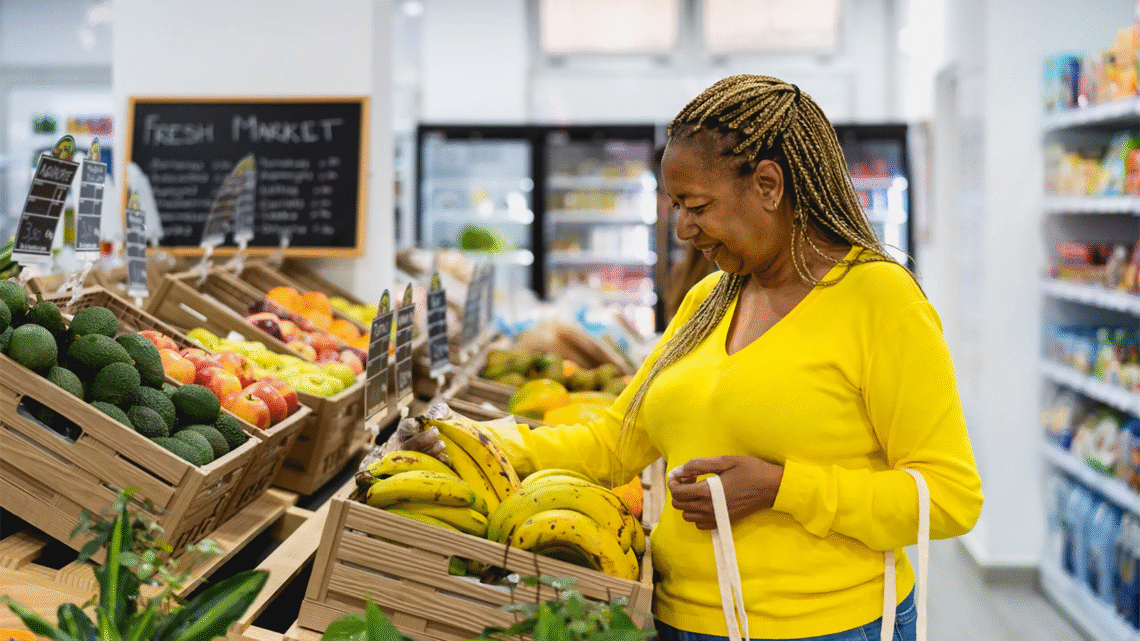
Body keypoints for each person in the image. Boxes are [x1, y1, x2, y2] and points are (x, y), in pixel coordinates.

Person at [398, 75, 983, 641]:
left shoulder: (879, 299)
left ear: (769, 185)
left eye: (695, 205)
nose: (682, 230)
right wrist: (476, 439)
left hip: (825, 627)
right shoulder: (710, 300)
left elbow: (949, 496)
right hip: (678, 618)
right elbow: (614, 440)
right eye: (675, 206)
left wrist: (782, 488)